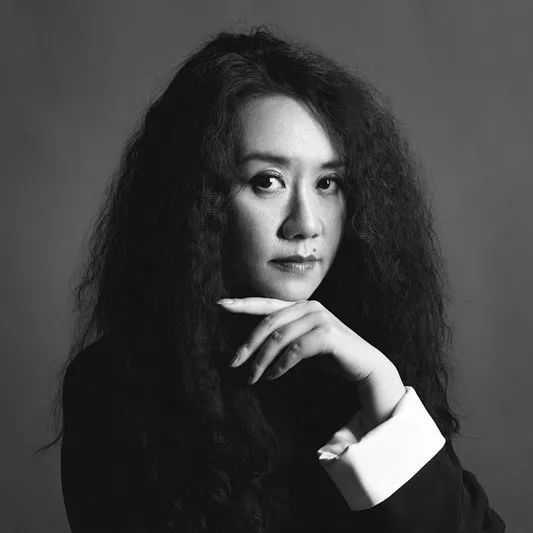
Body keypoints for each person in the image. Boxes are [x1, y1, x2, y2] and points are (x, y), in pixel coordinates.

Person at [43, 27, 505, 532]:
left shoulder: (372, 360)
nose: (306, 223)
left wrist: (383, 390)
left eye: (327, 183)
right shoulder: (115, 384)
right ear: (199, 199)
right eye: (268, 181)